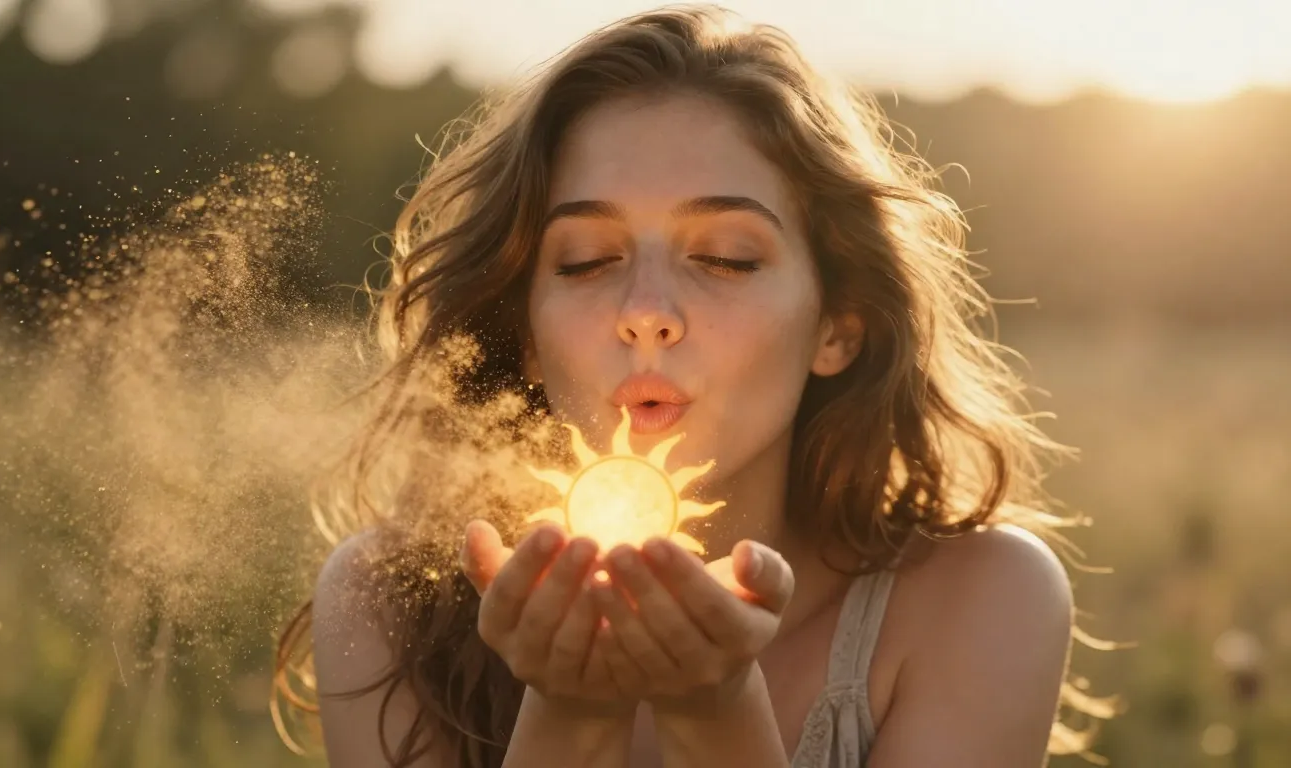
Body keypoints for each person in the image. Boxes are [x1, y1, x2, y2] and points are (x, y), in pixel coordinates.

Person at [275, 5, 1109, 767]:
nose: (646, 314)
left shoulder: (980, 598)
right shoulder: (393, 604)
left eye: (725, 258)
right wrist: (569, 713)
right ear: (524, 336)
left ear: (837, 326)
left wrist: (715, 714)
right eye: (587, 260)